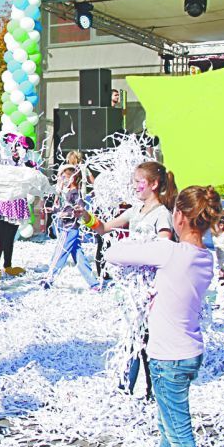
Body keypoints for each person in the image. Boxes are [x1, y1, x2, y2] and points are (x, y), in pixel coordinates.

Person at [106, 186, 220, 447]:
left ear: (179, 216)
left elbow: (115, 253)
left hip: (167, 356)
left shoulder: (169, 252)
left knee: (180, 434)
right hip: (190, 351)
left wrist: (144, 239)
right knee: (168, 424)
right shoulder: (205, 257)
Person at [75, 161, 178, 397]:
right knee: (133, 337)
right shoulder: (135, 211)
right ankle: (126, 388)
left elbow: (164, 247)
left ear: (153, 184)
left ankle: (154, 388)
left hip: (150, 287)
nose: (134, 186)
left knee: (146, 340)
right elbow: (103, 228)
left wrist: (135, 252)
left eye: (138, 182)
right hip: (133, 289)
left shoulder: (161, 214)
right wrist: (85, 215)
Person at [42, 164, 98, 290]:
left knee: (59, 252)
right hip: (69, 227)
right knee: (78, 256)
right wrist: (53, 210)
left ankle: (48, 279)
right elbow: (63, 208)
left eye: (63, 177)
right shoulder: (67, 193)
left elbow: (80, 208)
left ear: (71, 179)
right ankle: (93, 283)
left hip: (68, 228)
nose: (61, 180)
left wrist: (66, 213)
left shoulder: (74, 194)